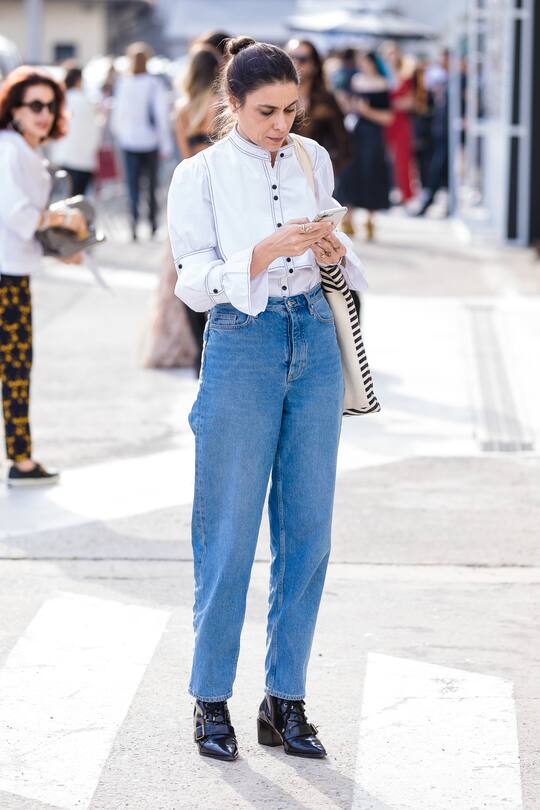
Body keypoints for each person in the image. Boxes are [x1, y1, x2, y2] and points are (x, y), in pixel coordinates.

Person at [168, 36, 368, 762]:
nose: (281, 125)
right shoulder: (200, 173)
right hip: (242, 342)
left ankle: (285, 700)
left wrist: (329, 252)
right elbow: (191, 277)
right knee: (227, 532)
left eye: (291, 109)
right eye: (265, 112)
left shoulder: (312, 158)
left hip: (312, 338)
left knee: (308, 533)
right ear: (231, 105)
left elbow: (335, 251)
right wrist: (260, 254)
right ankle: (210, 700)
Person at [0, 66, 86, 487]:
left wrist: (59, 250)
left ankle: (22, 458)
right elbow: (16, 216)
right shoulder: (9, 149)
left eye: (50, 106)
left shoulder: (26, 151)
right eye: (34, 105)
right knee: (14, 368)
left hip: (14, 274)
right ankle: (21, 461)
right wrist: (66, 218)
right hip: (5, 278)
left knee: (16, 368)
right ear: (13, 109)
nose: (44, 113)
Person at [142, 46, 221, 371]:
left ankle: (192, 349)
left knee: (186, 269)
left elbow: (185, 155)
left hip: (189, 190)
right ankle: (213, 347)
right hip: (216, 189)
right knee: (216, 268)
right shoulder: (220, 107)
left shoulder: (183, 109)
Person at [111, 42, 173, 240]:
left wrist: (120, 135)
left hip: (129, 142)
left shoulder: (123, 83)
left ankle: (134, 226)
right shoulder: (154, 84)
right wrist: (165, 143)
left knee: (132, 186)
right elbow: (161, 116)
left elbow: (118, 115)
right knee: (152, 186)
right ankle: (153, 225)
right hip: (151, 141)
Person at [335, 51, 394, 241]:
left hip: (372, 135)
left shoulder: (383, 84)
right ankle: (348, 218)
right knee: (350, 173)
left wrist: (367, 111)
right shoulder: (354, 80)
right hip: (354, 133)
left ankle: (369, 218)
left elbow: (388, 117)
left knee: (372, 173)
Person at [286, 39, 351, 176]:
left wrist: (326, 172)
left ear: (314, 65)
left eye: (302, 59)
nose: (295, 63)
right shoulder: (273, 98)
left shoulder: (326, 100)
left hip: (315, 179)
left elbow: (343, 143)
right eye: (290, 58)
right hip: (280, 177)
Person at [49, 64, 102, 196]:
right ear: (79, 80)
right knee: (78, 200)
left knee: (64, 197)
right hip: (84, 159)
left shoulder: (61, 101)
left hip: (64, 156)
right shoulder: (87, 102)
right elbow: (95, 130)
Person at [381, 42, 416, 204]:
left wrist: (392, 104)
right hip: (384, 122)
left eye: (393, 53)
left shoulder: (405, 76)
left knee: (403, 160)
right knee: (384, 159)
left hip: (400, 122)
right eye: (388, 54)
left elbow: (410, 101)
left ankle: (406, 195)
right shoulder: (381, 77)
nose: (391, 57)